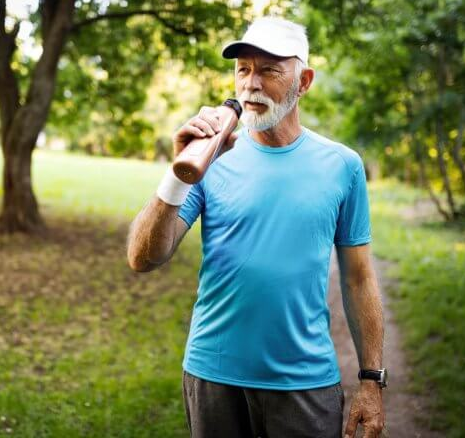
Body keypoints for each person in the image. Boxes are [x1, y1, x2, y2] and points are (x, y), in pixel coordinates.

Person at [126, 16, 386, 438]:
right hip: (212, 377)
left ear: (303, 81)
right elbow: (143, 257)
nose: (251, 84)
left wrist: (372, 381)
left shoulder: (342, 165)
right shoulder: (210, 156)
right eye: (243, 69)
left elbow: (358, 280)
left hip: (305, 382)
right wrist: (176, 174)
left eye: (269, 70)